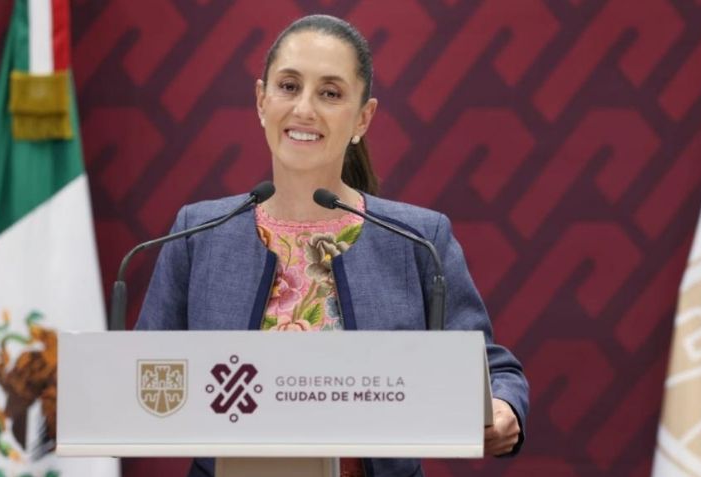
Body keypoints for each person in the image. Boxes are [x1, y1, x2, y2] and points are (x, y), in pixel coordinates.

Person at [135, 14, 529, 477]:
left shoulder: (418, 241)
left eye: (330, 93)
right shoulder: (197, 233)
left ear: (363, 117)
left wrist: (504, 407)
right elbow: (143, 373)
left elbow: (491, 369)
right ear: (261, 101)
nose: (304, 108)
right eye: (288, 86)